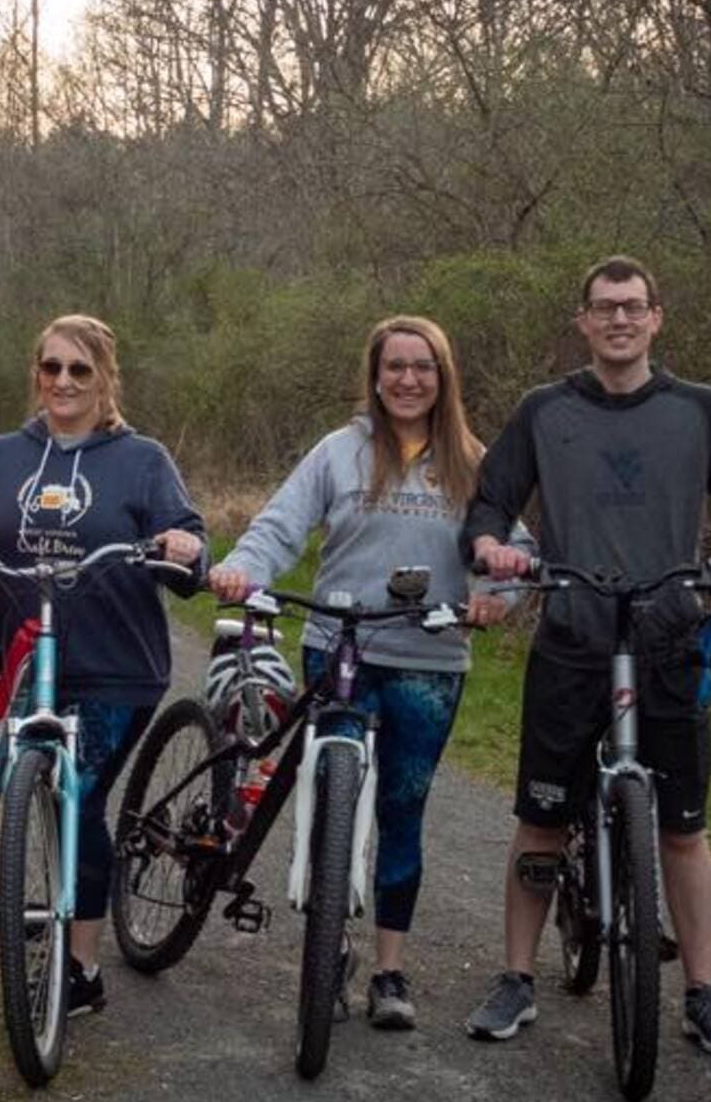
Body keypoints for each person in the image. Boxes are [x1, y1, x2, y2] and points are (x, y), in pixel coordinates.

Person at [461, 256, 711, 1058]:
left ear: (656, 318)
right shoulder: (544, 411)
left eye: (633, 307)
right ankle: (515, 978)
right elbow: (490, 500)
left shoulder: (701, 411)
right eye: (604, 308)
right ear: (582, 321)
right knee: (540, 819)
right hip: (572, 635)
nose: (619, 320)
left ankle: (703, 994)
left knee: (683, 829)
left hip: (670, 638)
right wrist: (493, 547)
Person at [207, 315, 514, 1030]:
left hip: (429, 660)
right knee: (328, 789)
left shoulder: (474, 460)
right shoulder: (338, 453)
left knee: (403, 810)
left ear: (444, 376)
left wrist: (496, 594)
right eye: (395, 366)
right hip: (338, 646)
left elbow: (511, 551)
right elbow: (281, 524)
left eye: (423, 366)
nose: (409, 379)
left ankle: (388, 969)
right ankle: (328, 948)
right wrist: (243, 569)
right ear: (375, 376)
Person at [0, 314, 206, 1018]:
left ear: (105, 377)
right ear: (36, 374)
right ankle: (46, 926)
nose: (63, 381)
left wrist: (186, 549)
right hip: (24, 661)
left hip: (115, 668)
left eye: (79, 369)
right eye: (51, 368)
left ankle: (82, 965)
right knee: (38, 793)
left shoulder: (144, 459)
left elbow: (189, 541)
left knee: (81, 799)